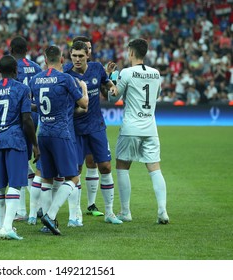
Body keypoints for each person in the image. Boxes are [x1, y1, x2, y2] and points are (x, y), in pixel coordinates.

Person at [29, 45, 88, 235]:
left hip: (43, 132)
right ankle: (51, 215)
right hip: (61, 133)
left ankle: (46, 220)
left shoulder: (35, 80)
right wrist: (84, 89)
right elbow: (83, 104)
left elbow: (34, 104)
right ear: (62, 59)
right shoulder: (66, 78)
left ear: (45, 60)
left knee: (47, 178)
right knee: (73, 177)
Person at [109, 38, 169, 224]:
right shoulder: (156, 73)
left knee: (122, 166)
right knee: (155, 168)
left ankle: (125, 211)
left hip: (131, 128)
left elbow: (113, 98)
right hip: (150, 128)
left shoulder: (126, 73)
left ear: (131, 53)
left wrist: (112, 77)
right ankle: (162, 211)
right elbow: (156, 96)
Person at [0, 55, 40, 240]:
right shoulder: (22, 89)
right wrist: (35, 145)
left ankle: (1, 227)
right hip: (15, 140)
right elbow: (26, 119)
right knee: (15, 184)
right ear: (16, 70)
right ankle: (7, 227)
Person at [65, 39, 122, 225]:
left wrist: (111, 85)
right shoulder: (66, 73)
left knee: (105, 166)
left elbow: (105, 84)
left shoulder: (97, 68)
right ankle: (75, 214)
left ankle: (109, 213)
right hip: (75, 129)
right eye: (74, 56)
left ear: (87, 55)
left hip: (97, 126)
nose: (77, 59)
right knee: (76, 170)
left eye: (81, 56)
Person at [9, 35, 42, 222]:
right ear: (27, 50)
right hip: (34, 116)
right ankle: (37, 203)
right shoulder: (36, 68)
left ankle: (22, 210)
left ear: (12, 50)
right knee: (24, 160)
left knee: (19, 162)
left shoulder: (12, 68)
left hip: (19, 116)